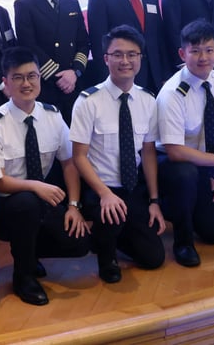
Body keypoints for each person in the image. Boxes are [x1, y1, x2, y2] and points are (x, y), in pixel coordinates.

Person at [0, 47, 90, 306]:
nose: (26, 83)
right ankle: (24, 276)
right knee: (26, 202)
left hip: (40, 199)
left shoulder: (52, 115)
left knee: (79, 242)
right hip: (4, 206)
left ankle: (28, 252)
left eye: (32, 76)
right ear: (6, 83)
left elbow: (69, 163)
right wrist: (35, 187)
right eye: (18, 78)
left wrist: (74, 206)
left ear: (40, 78)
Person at [70, 25, 166, 283]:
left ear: (140, 58)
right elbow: (78, 156)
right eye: (118, 54)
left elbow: (148, 152)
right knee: (111, 214)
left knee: (153, 258)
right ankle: (106, 255)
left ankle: (111, 235)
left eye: (132, 54)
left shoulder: (148, 100)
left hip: (132, 187)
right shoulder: (88, 101)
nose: (125, 61)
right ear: (106, 59)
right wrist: (104, 193)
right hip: (100, 188)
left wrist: (154, 201)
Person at [155, 20, 214, 267]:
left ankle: (186, 205)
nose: (203, 58)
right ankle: (183, 242)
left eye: (208, 50)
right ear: (182, 54)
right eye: (195, 51)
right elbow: (174, 151)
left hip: (206, 161)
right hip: (172, 163)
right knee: (185, 174)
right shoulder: (172, 93)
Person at [13, 0, 89, 122]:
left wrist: (75, 72)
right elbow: (28, 46)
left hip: (74, 84)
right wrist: (59, 77)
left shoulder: (72, 3)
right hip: (47, 86)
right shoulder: (24, 6)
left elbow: (83, 43)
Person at [87, 0, 168, 93]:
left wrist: (165, 74)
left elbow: (159, 37)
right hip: (123, 78)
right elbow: (99, 44)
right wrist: (108, 82)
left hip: (155, 76)